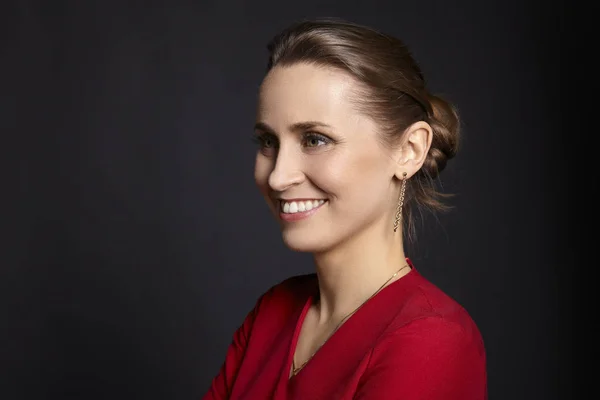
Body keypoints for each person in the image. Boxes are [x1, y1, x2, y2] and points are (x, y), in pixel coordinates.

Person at [203, 18, 487, 399]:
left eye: (315, 139)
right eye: (268, 141)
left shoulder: (431, 339)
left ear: (409, 151)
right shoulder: (272, 314)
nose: (278, 177)